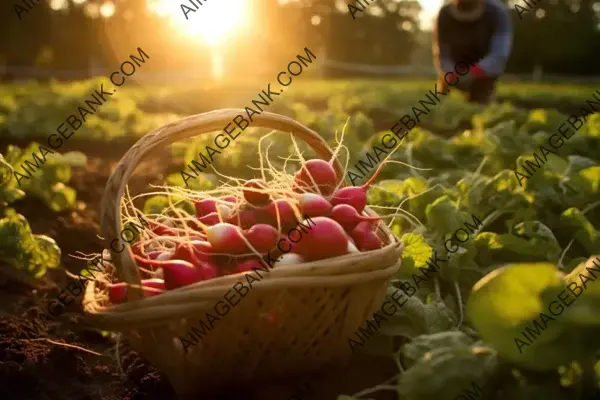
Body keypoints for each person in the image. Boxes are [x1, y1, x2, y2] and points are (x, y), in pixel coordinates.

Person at [432, 0, 513, 104]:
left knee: (481, 102)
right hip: (454, 68)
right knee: (440, 101)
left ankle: (482, 99)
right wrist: (450, 72)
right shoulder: (444, 13)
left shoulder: (498, 12)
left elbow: (499, 53)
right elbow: (442, 53)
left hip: (485, 72)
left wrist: (478, 70)